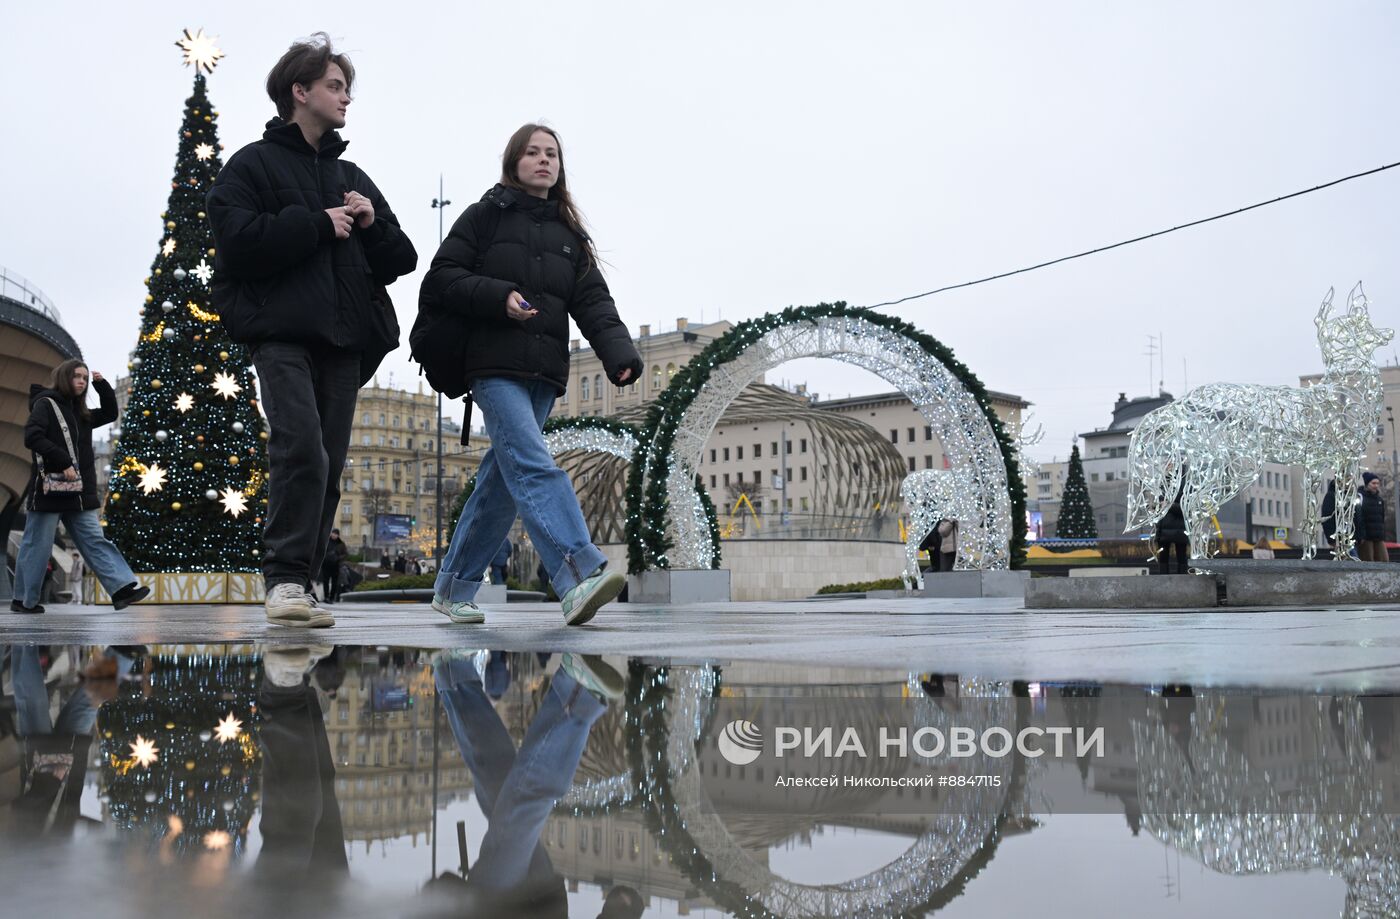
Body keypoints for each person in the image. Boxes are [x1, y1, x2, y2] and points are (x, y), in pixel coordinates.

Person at [207, 33, 417, 629]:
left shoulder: (351, 173)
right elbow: (238, 244)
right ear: (299, 92)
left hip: (345, 339)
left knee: (326, 462)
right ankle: (283, 581)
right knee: (298, 447)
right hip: (281, 333)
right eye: (334, 86)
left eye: (346, 88)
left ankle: (302, 582)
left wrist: (372, 224)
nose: (345, 97)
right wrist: (317, 224)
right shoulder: (250, 164)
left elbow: (401, 258)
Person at [420, 124, 642, 626]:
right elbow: (443, 278)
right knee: (534, 463)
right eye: (533, 153)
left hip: (544, 374)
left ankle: (454, 585)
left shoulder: (569, 237)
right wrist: (499, 297)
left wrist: (618, 352)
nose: (544, 161)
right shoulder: (484, 217)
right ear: (514, 161)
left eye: (553, 154)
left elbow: (594, 302)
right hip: (493, 367)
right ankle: (577, 569)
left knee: (501, 483)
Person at [432, 650, 620, 912]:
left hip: (500, 908)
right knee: (502, 782)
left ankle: (575, 696)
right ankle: (454, 677)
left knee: (525, 801)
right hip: (536, 902)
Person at [13, 360, 150, 614]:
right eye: (77, 376)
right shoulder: (46, 405)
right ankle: (23, 600)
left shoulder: (81, 413)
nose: (82, 382)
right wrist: (62, 460)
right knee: (37, 545)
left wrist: (102, 386)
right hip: (50, 489)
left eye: (85, 378)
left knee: (95, 540)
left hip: (79, 492)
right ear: (65, 377)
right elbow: (32, 436)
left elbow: (110, 414)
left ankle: (121, 589)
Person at [1154, 487, 1189, 575]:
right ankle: (1168, 577)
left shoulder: (1183, 489)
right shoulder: (1162, 489)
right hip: (1166, 530)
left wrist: (1169, 505)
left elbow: (1185, 508)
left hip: (1178, 530)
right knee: (1164, 557)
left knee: (1180, 557)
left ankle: (1180, 577)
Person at [1355, 472, 1389, 562]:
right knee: (1367, 561)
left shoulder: (1379, 500)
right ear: (1367, 484)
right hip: (1365, 537)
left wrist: (1382, 533)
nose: (1376, 486)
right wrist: (1360, 535)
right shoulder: (1360, 497)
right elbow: (1358, 517)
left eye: (1377, 483)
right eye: (1373, 483)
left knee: (1384, 560)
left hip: (1378, 536)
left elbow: (1381, 518)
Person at [320, 528, 348, 603]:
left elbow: (345, 554)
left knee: (334, 582)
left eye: (335, 534)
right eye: (333, 533)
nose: (334, 535)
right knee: (325, 581)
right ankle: (326, 597)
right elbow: (321, 551)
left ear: (338, 535)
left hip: (335, 565)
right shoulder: (326, 541)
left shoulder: (341, 544)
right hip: (326, 565)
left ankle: (332, 598)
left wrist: (338, 558)